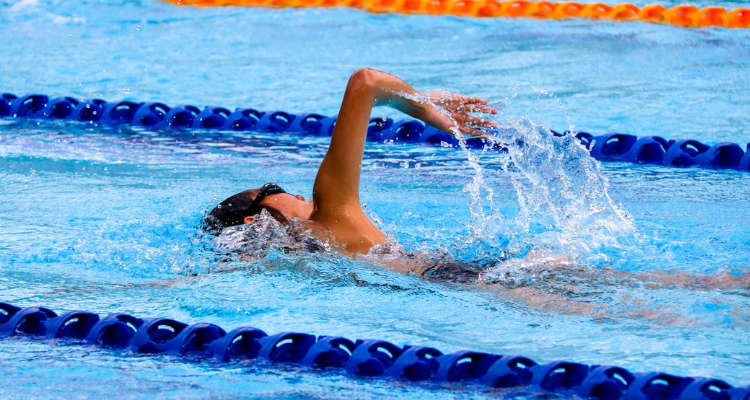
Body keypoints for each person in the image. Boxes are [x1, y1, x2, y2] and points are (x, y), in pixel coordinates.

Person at [204, 68, 497, 258]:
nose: (298, 195)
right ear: (255, 221)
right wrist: (425, 109)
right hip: (467, 280)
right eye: (272, 189)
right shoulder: (329, 209)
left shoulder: (313, 257)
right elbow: (366, 82)